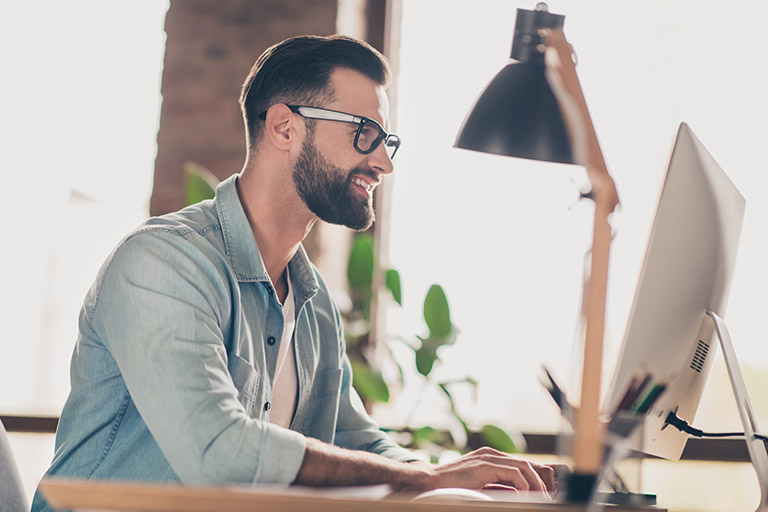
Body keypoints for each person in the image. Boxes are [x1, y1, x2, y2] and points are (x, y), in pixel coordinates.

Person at [31, 34, 555, 511]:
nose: (384, 163)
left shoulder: (312, 300)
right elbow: (220, 452)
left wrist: (450, 480)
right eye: (365, 133)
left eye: (386, 141)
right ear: (284, 127)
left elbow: (357, 440)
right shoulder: (162, 264)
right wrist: (426, 480)